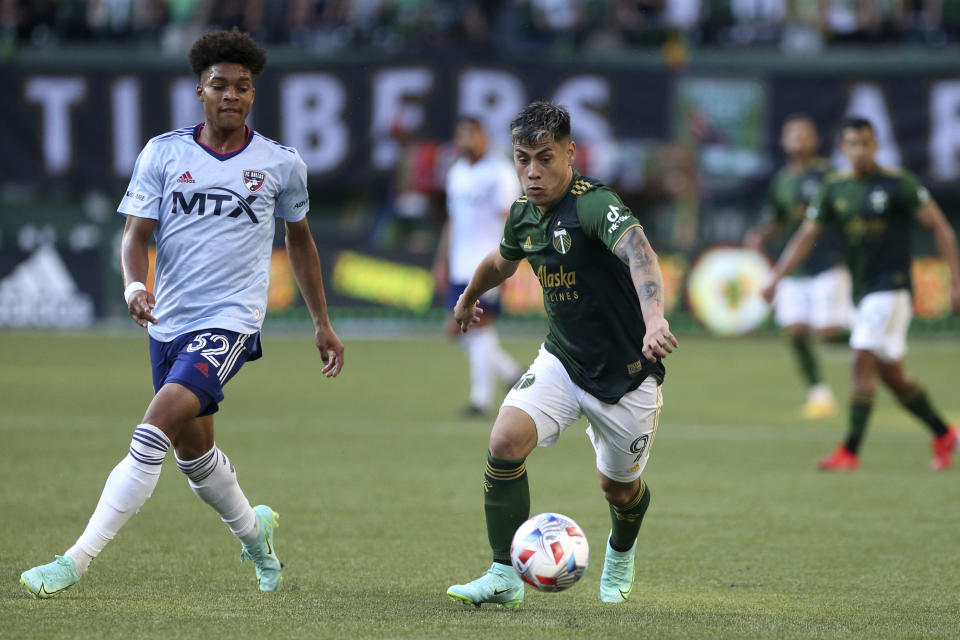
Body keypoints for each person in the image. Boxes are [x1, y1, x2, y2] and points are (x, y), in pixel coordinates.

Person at [20, 28, 344, 598]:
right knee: (196, 457)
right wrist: (132, 286)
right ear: (200, 90)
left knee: (152, 432)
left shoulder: (280, 164)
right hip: (168, 323)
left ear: (252, 95)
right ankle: (256, 536)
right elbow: (134, 234)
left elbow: (300, 241)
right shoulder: (164, 153)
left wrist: (321, 321)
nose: (232, 96)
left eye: (243, 87)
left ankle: (76, 560)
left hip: (231, 322)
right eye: (220, 85)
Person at [446, 101, 678, 607]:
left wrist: (655, 318)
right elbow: (499, 263)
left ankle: (620, 549)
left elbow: (640, 251)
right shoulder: (523, 215)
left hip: (626, 375)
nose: (532, 171)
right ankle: (504, 575)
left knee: (619, 491)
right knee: (504, 441)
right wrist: (467, 300)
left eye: (544, 158)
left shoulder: (594, 204)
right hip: (563, 360)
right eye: (522, 158)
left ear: (570, 152)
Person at [763, 116, 959, 471]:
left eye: (866, 143)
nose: (859, 150)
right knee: (894, 377)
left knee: (860, 360)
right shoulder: (835, 189)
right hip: (865, 292)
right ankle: (944, 432)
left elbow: (941, 228)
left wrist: (957, 282)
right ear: (842, 149)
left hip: (893, 288)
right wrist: (777, 275)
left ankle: (849, 452)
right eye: (852, 144)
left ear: (876, 146)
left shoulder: (899, 184)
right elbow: (806, 235)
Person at [745, 114, 851, 419]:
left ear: (815, 141)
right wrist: (761, 233)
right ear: (783, 141)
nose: (798, 141)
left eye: (804, 135)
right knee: (794, 330)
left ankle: (864, 339)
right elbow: (778, 221)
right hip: (792, 269)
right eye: (792, 135)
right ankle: (819, 393)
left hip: (826, 263)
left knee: (827, 333)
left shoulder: (829, 176)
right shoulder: (783, 181)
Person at [433, 117, 522, 417]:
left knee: (477, 326)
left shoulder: (500, 172)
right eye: (460, 135)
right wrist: (442, 259)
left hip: (489, 262)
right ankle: (512, 375)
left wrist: (508, 262)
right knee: (456, 330)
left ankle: (480, 401)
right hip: (460, 262)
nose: (464, 141)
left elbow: (511, 219)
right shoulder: (456, 172)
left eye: (470, 134)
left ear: (484, 136)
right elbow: (453, 220)